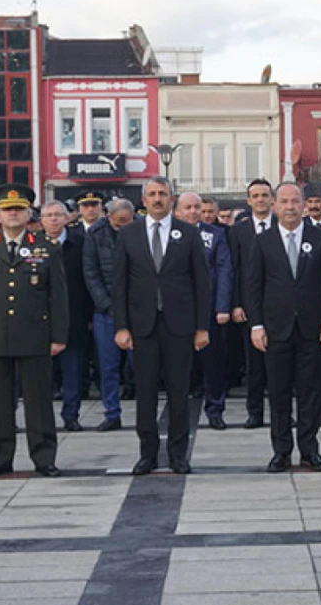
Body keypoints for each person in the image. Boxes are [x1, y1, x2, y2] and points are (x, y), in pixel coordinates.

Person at [0, 184, 69, 479]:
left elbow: (58, 297)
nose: (13, 214)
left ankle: (44, 457)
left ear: (28, 213)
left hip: (35, 335)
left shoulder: (46, 248)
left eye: (19, 209)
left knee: (38, 403)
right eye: (7, 210)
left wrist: (59, 335)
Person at [113, 177, 210, 476]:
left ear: (171, 199)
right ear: (144, 199)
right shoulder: (128, 234)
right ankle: (147, 454)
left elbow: (201, 282)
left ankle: (178, 454)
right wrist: (122, 326)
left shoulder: (189, 233)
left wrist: (202, 327)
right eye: (152, 194)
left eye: (163, 194)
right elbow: (120, 284)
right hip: (142, 325)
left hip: (179, 324)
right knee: (145, 393)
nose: (157, 199)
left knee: (179, 392)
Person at [246, 182, 321, 473]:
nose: (290, 207)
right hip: (275, 329)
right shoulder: (262, 241)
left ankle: (310, 450)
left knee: (310, 392)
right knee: (278, 392)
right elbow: (253, 286)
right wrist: (256, 324)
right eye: (284, 201)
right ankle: (281, 450)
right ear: (274, 205)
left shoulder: (320, 239)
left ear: (304, 205)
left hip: (312, 329)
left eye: (295, 201)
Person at [174, 192, 233, 430]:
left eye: (196, 207)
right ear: (177, 211)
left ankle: (215, 408)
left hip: (208, 310)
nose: (192, 211)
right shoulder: (168, 234)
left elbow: (224, 270)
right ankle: (178, 413)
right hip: (176, 311)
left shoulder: (215, 234)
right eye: (187, 207)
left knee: (213, 364)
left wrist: (222, 306)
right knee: (178, 365)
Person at [82, 198, 136, 431]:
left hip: (137, 311)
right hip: (106, 311)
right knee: (108, 366)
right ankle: (112, 413)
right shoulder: (95, 234)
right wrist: (107, 305)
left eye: (128, 222)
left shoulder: (142, 228)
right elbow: (90, 273)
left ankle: (146, 413)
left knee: (143, 365)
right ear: (108, 217)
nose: (123, 227)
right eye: (118, 223)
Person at [40, 200, 92, 431]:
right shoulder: (33, 245)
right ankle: (42, 417)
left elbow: (89, 280)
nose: (53, 219)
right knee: (42, 375)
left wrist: (90, 315)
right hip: (39, 320)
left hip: (74, 317)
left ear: (67, 218)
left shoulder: (80, 243)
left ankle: (71, 415)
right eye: (48, 215)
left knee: (73, 370)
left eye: (57, 215)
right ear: (41, 220)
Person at [228, 179, 275, 429]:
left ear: (272, 199)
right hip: (250, 305)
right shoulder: (238, 231)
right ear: (248, 200)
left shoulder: (282, 226)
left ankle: (281, 412)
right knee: (254, 364)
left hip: (279, 305)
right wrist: (236, 304)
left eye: (264, 195)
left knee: (280, 366)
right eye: (255, 195)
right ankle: (254, 412)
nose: (260, 199)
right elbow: (233, 269)